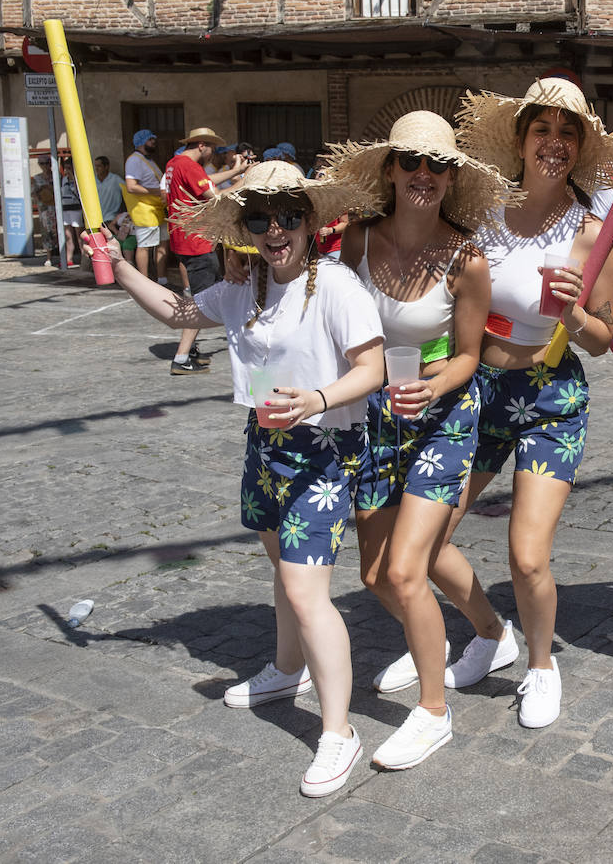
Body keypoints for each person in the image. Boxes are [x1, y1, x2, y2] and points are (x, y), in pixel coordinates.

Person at [98, 160, 381, 797]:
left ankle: (339, 730)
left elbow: (373, 369)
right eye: (260, 218)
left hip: (323, 450)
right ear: (244, 228)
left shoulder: (334, 287)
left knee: (308, 592)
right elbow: (179, 313)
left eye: (287, 216)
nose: (274, 229)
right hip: (264, 446)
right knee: (283, 573)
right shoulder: (244, 286)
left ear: (309, 222)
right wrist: (119, 267)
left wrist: (316, 398)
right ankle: (287, 669)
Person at [361, 77, 613, 730]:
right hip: (478, 390)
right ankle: (489, 633)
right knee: (428, 542)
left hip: (551, 394)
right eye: (542, 129)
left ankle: (541, 664)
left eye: (568, 133)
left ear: (580, 147)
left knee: (528, 553)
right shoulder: (481, 211)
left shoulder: (593, 234)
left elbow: (603, 340)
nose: (554, 143)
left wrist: (573, 307)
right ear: (520, 138)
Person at [324, 110, 514, 768]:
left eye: (438, 165)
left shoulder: (468, 258)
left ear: (453, 176)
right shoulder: (358, 241)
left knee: (408, 568)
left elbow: (470, 354)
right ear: (391, 170)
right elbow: (324, 311)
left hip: (445, 416)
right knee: (378, 572)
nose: (424, 175)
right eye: (412, 162)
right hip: (375, 417)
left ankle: (434, 711)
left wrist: (434, 388)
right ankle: (491, 632)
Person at [163, 127, 251, 375]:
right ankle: (181, 358)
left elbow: (206, 182)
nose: (213, 153)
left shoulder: (175, 163)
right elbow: (216, 198)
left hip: (183, 240)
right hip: (196, 241)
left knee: (196, 296)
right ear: (202, 145)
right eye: (211, 147)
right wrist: (244, 182)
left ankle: (188, 351)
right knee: (200, 302)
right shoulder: (190, 167)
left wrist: (237, 170)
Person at [124, 129, 170, 284]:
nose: (154, 142)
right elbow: (131, 186)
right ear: (142, 141)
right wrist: (156, 191)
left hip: (157, 207)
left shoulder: (148, 160)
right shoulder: (134, 160)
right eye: (151, 140)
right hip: (144, 209)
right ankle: (144, 282)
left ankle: (162, 279)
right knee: (145, 247)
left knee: (163, 243)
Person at [58, 158, 84, 267]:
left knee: (79, 235)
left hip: (76, 209)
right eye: (66, 168)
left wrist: (73, 179)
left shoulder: (77, 179)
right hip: (65, 209)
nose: (67, 171)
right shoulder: (63, 179)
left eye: (69, 168)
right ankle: (68, 258)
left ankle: (84, 257)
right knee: (68, 235)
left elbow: (79, 193)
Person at [94, 156, 126, 230]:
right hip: (96, 218)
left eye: (99, 166)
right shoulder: (93, 180)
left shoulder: (116, 179)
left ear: (106, 167)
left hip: (111, 217)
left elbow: (128, 192)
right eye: (96, 166)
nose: (97, 168)